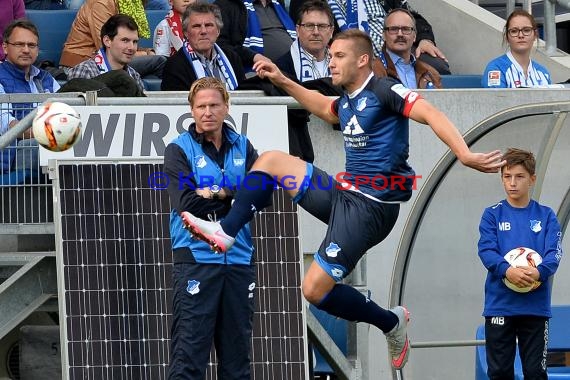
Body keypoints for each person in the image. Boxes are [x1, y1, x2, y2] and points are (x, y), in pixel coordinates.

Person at [180, 29, 505, 370]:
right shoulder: (348, 98)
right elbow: (325, 108)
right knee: (272, 161)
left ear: (362, 60)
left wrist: (464, 154)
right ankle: (227, 231)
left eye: (338, 56)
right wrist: (283, 80)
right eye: (331, 56)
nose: (330, 63)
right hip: (344, 195)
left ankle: (390, 323)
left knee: (313, 290)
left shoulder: (385, 89)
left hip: (371, 208)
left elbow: (431, 113)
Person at [164, 77, 259, 379]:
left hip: (239, 260)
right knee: (189, 358)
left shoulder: (244, 145)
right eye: (201, 106)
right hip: (196, 261)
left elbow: (262, 196)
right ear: (191, 110)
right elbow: (187, 203)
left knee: (237, 362)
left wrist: (215, 193)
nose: (208, 112)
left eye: (214, 105)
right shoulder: (178, 149)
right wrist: (235, 195)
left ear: (226, 107)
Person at [478, 148, 563, 379]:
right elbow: (486, 251)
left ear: (532, 179)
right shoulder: (492, 215)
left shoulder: (546, 216)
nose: (512, 183)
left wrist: (537, 273)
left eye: (519, 176)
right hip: (500, 306)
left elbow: (554, 253)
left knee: (535, 372)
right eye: (507, 177)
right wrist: (507, 271)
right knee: (500, 372)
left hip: (535, 308)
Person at [289, 0, 451, 75]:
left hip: (395, 49)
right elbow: (308, 27)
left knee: (439, 66)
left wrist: (424, 39)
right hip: (354, 55)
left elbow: (412, 16)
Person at [275, 0, 335, 162]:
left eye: (322, 26)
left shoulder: (345, 65)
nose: (316, 32)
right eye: (309, 26)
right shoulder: (281, 68)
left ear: (331, 31)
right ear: (297, 30)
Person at [0, 19, 60, 177]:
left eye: (31, 45)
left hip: (46, 158)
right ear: (5, 47)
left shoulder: (47, 78)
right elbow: (9, 127)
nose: (26, 50)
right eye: (19, 44)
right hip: (10, 164)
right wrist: (53, 134)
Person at [59, 0, 166, 79]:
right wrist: (144, 54)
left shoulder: (133, 4)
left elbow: (127, 40)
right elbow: (105, 47)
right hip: (82, 63)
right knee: (160, 61)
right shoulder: (100, 3)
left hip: (114, 59)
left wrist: (147, 51)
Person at [160, 3, 245, 91]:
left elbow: (245, 96)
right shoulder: (174, 66)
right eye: (196, 26)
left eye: (208, 25)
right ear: (185, 33)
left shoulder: (233, 58)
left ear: (218, 31)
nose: (203, 31)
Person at [66, 14, 146, 93]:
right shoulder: (85, 71)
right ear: (107, 41)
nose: (131, 47)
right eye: (125, 40)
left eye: (135, 42)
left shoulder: (134, 75)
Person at [212, 0, 293, 70]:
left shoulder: (278, 4)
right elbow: (220, 44)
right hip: (255, 72)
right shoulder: (227, 4)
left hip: (292, 68)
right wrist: (253, 56)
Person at [482, 10, 552, 88]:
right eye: (514, 31)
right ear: (507, 37)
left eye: (526, 30)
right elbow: (497, 99)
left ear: (535, 35)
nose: (521, 35)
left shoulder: (543, 72)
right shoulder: (495, 69)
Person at [376, 8, 441, 89]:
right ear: (384, 35)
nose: (400, 34)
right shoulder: (371, 72)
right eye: (394, 29)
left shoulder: (431, 74)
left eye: (406, 29)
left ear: (415, 36)